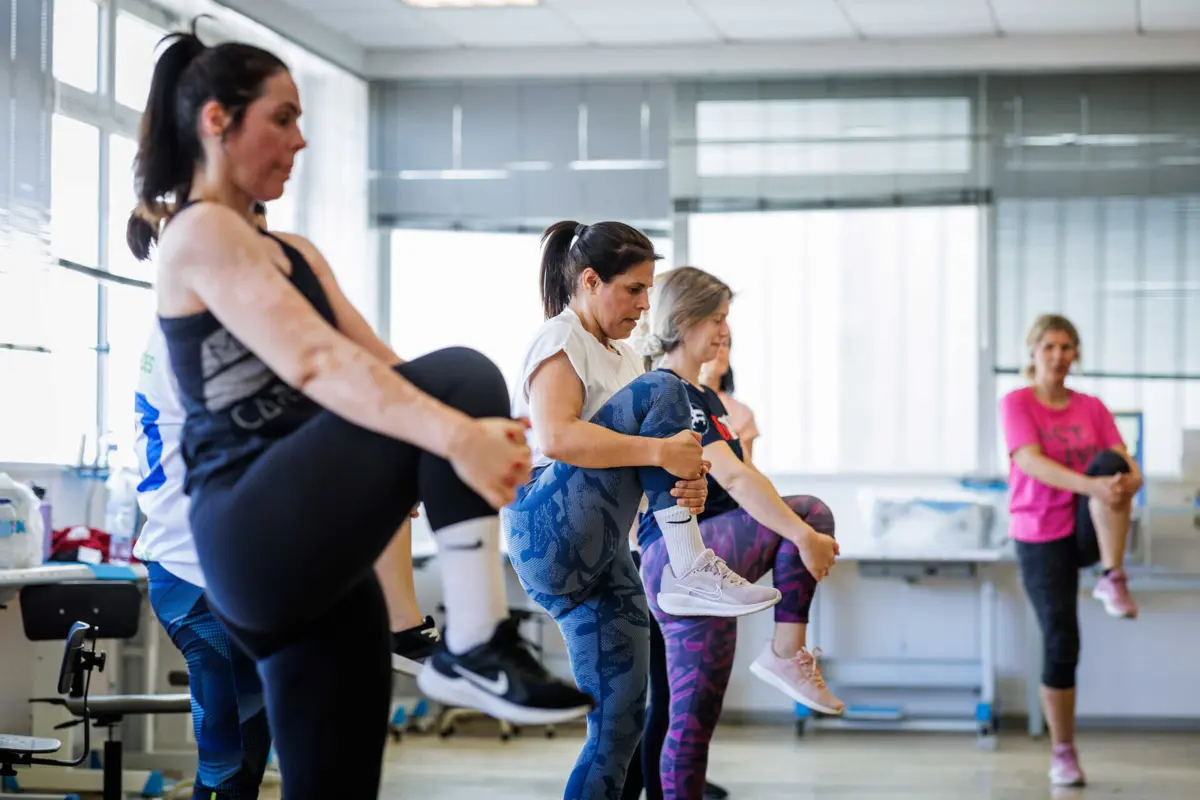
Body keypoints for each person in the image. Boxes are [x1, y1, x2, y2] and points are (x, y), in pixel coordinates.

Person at [128, 29, 592, 798]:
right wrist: (448, 434)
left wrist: (472, 449)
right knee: (462, 376)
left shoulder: (299, 254)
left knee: (336, 786)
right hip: (246, 530)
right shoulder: (198, 232)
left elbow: (384, 368)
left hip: (318, 566)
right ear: (218, 121)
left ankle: (465, 646)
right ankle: (474, 642)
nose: (300, 139)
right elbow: (319, 364)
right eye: (282, 118)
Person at [504, 222, 779, 800]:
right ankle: (687, 565)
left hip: (602, 554)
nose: (643, 305)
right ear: (589, 280)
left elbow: (639, 460)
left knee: (621, 722)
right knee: (664, 387)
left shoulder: (624, 357)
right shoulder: (560, 338)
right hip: (546, 529)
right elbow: (555, 436)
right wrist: (659, 452)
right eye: (632, 289)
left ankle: (686, 556)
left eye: (649, 291)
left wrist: (683, 484)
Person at [636, 266, 843, 800]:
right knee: (813, 513)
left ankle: (783, 653)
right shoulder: (668, 390)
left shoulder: (703, 397)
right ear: (684, 320)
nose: (725, 331)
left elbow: (745, 477)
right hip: (682, 556)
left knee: (694, 718)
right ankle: (784, 651)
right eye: (718, 318)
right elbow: (733, 476)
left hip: (706, 565)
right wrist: (802, 535)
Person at [999, 313, 1141, 788]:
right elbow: (1030, 461)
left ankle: (1112, 574)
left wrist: (1128, 479)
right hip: (1039, 534)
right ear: (1033, 353)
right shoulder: (1017, 402)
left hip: (1085, 527)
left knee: (1111, 463)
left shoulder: (1092, 407)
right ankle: (1063, 751)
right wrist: (1097, 486)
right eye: (1049, 347)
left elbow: (1121, 456)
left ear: (1076, 353)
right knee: (1063, 643)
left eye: (1067, 347)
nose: (1059, 355)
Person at [698, 334, 757, 465]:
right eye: (714, 343)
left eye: (725, 344)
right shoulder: (677, 400)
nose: (721, 350)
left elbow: (744, 470)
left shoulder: (742, 413)